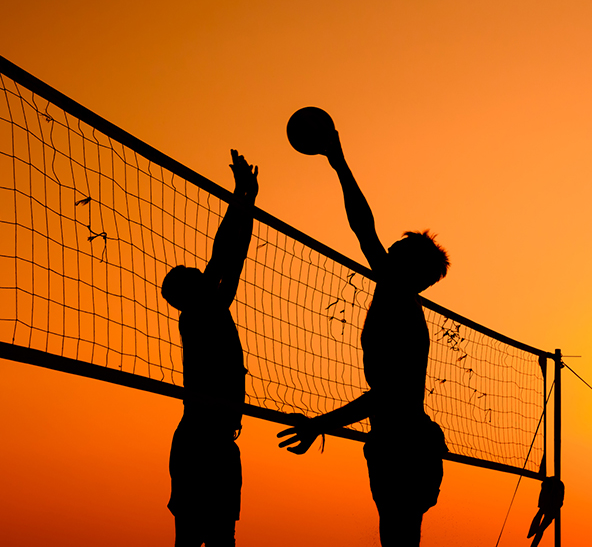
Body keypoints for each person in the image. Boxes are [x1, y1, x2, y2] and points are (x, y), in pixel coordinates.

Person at [277, 129, 449, 546]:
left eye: (395, 251)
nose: (384, 251)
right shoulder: (397, 296)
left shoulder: (400, 307)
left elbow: (385, 395)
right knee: (399, 535)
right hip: (402, 441)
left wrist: (321, 424)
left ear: (408, 268)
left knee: (398, 536)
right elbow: (364, 230)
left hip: (403, 445)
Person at [161, 149, 258, 547]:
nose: (201, 270)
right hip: (200, 441)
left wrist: (248, 201)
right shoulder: (200, 315)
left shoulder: (213, 308)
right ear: (189, 292)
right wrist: (240, 195)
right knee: (191, 538)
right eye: (193, 273)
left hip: (218, 441)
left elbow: (235, 257)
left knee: (222, 538)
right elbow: (223, 255)